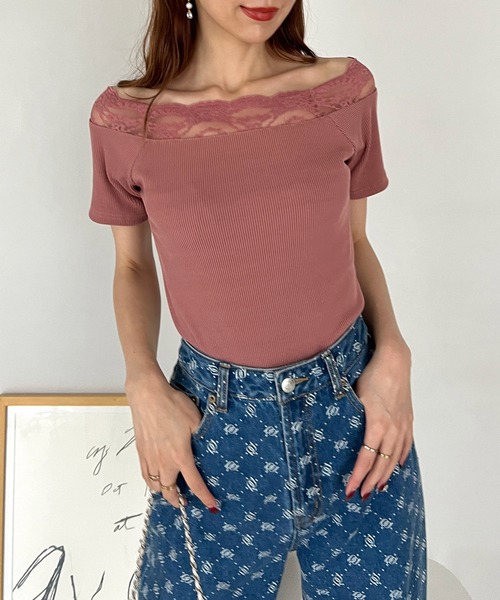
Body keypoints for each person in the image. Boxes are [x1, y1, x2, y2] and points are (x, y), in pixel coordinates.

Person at [88, 1, 427, 598]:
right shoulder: (126, 122)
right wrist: (142, 381)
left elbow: (354, 240)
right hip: (213, 431)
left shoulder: (343, 93)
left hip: (354, 417)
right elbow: (133, 265)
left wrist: (394, 352)